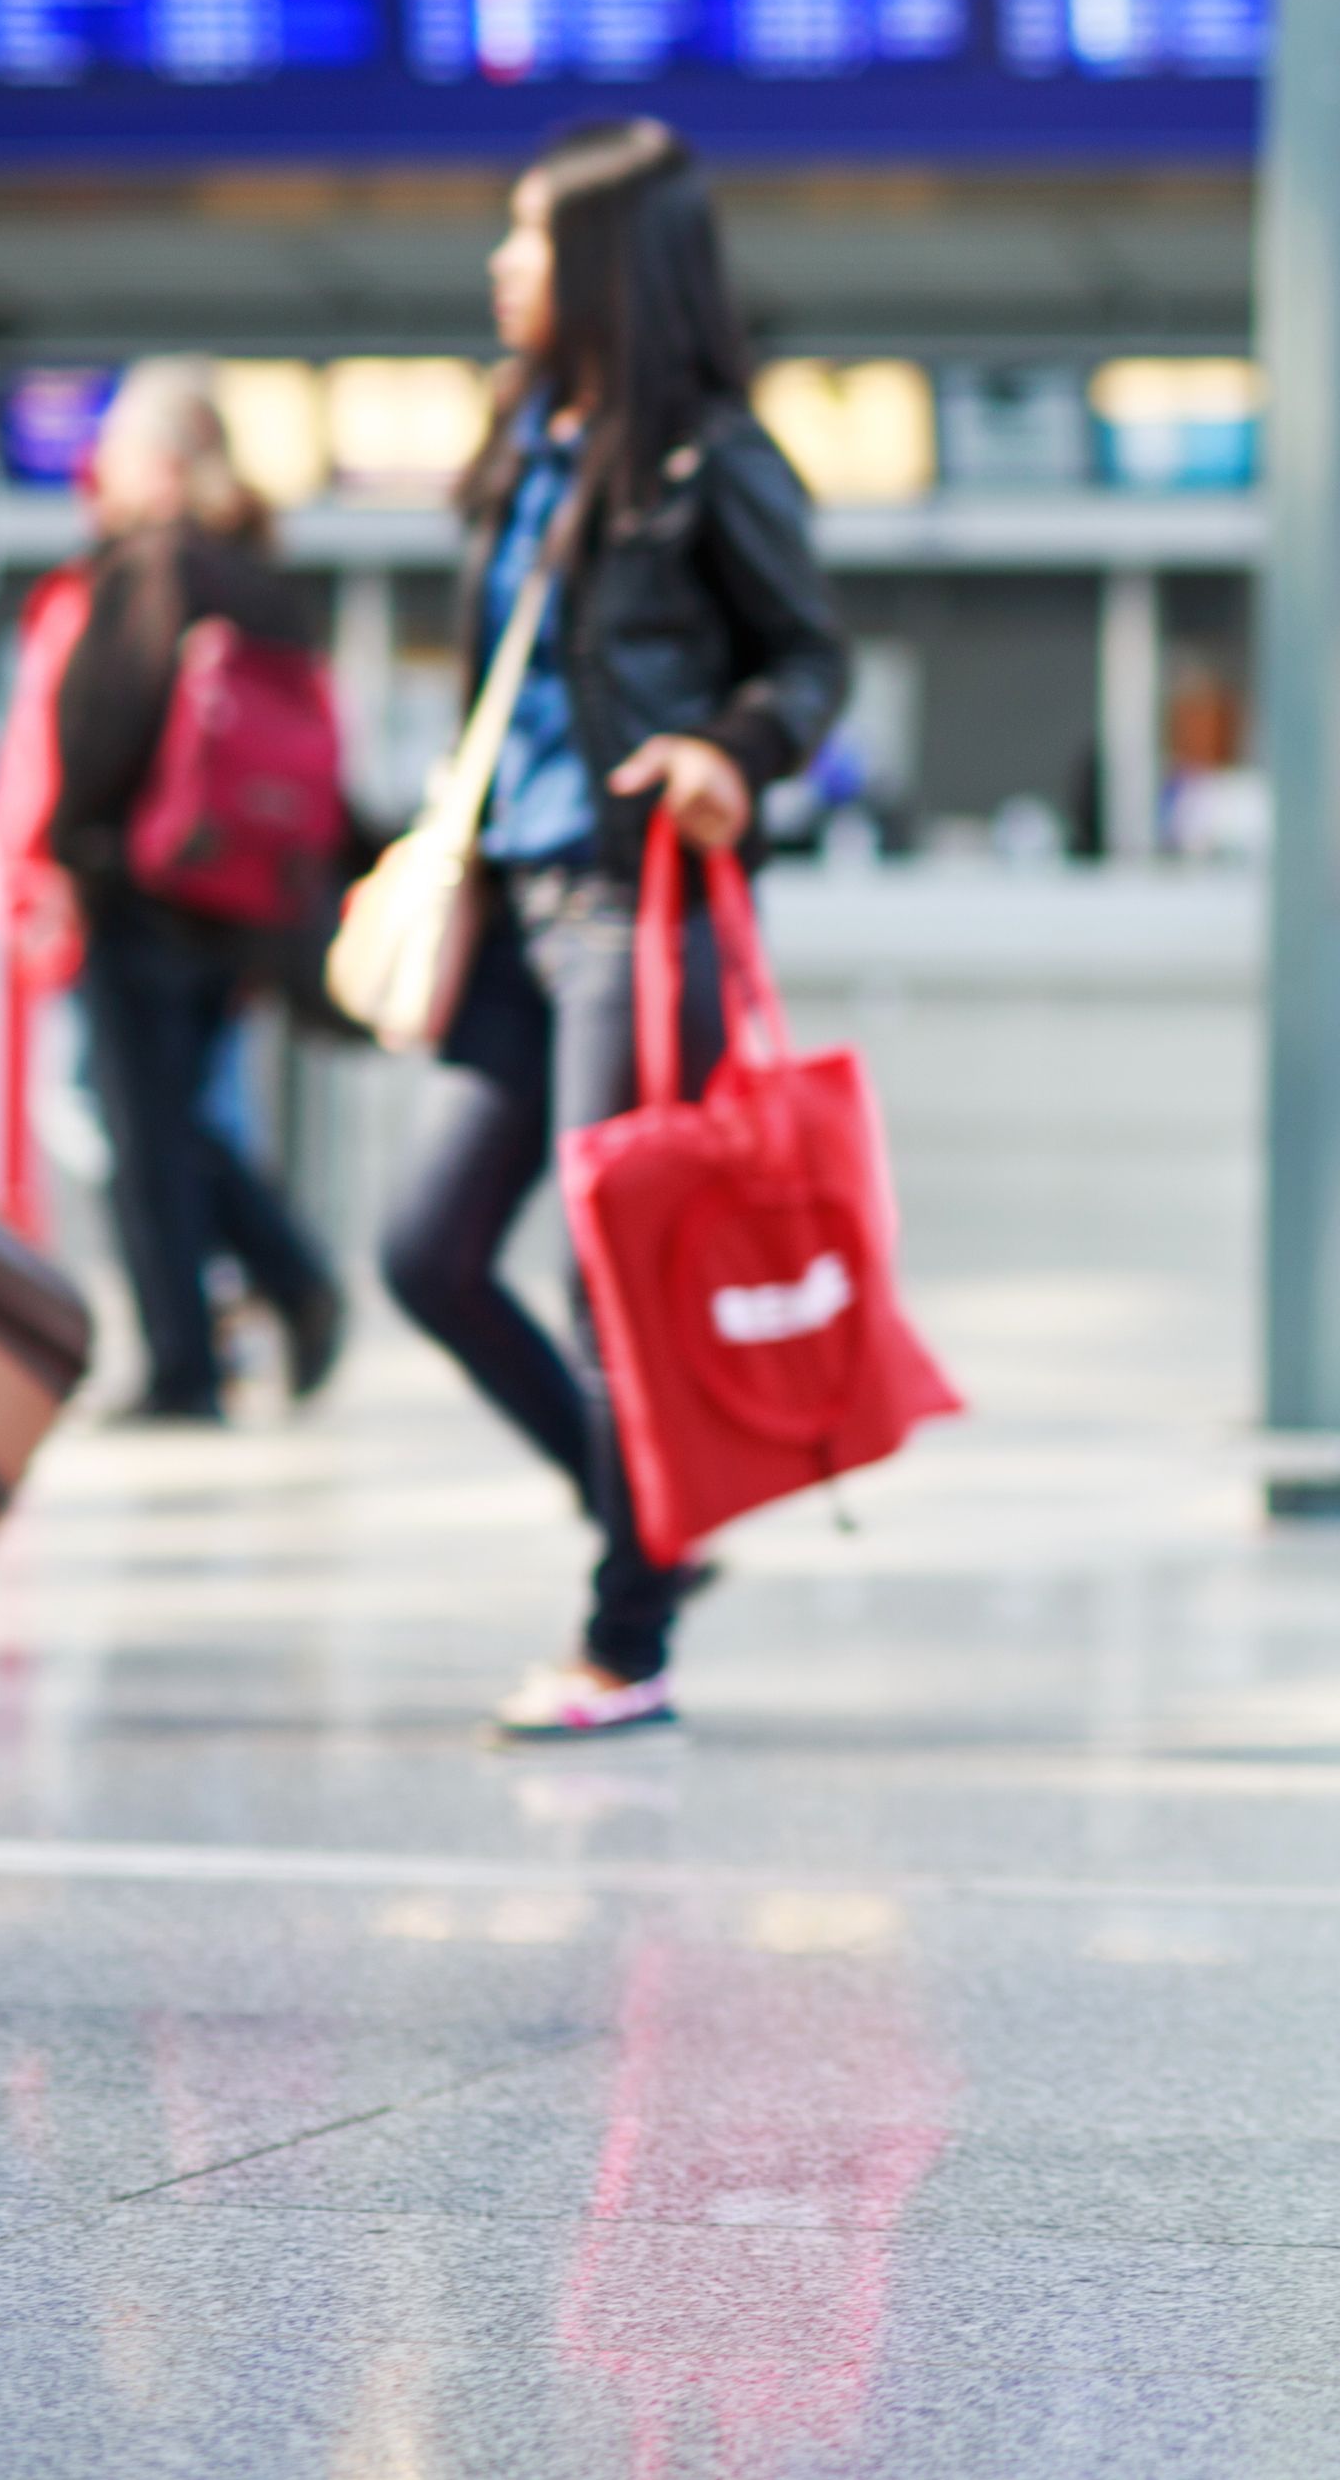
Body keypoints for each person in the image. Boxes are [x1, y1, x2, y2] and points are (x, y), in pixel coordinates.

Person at [378, 119, 850, 1742]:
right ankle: (647, 1512)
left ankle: (623, 1641)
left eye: (526, 240)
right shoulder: (526, 443)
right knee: (426, 1251)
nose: (499, 268)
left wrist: (731, 750)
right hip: (515, 908)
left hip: (633, 910)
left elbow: (808, 663)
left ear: (600, 268)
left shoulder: (707, 457)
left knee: (612, 1283)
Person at [45, 359, 347, 1424]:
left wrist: (70, 843)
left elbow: (107, 721)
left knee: (145, 1132)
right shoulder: (263, 572)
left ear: (163, 463)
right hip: (238, 894)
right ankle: (289, 1290)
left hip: (145, 885)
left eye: (119, 454)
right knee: (181, 1123)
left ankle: (189, 1364)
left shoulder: (155, 563)